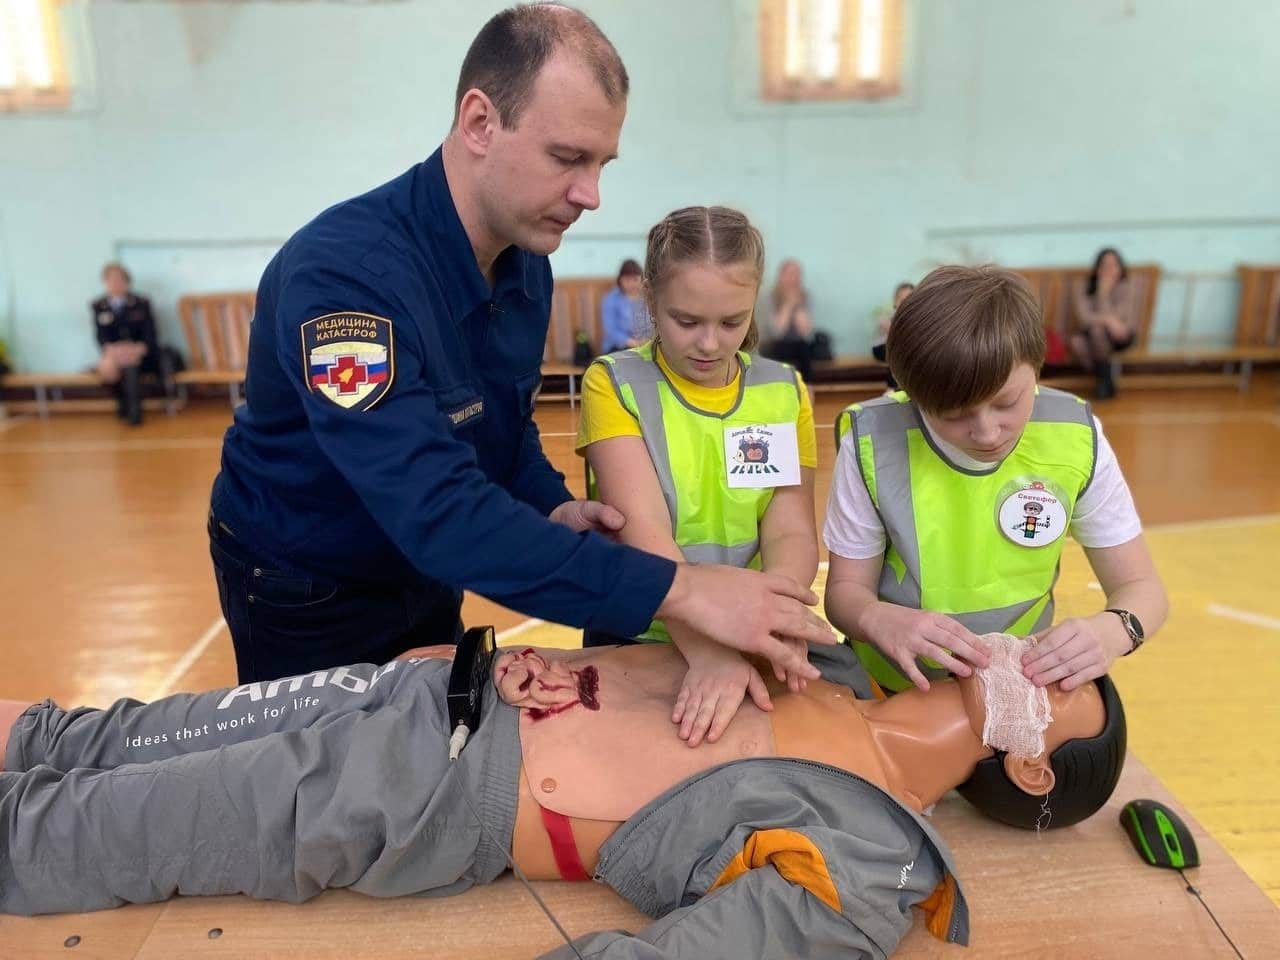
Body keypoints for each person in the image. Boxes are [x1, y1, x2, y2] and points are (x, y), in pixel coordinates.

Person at [205, 4, 834, 686]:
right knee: (324, 778)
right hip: (310, 586)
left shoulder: (525, 263)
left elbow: (497, 429)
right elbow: (436, 511)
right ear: (480, 122)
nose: (590, 193)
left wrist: (551, 505)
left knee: (429, 751)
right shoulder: (345, 281)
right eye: (567, 157)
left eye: (602, 163)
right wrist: (683, 593)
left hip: (427, 573)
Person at [0, 635, 1126, 960]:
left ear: (1031, 764)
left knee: (69, 832)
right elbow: (643, 649)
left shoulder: (866, 865)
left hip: (424, 794)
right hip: (428, 686)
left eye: (1065, 681)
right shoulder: (825, 661)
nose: (1045, 653)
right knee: (86, 737)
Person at [825, 265, 1168, 695]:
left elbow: (1142, 588)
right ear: (913, 394)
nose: (987, 433)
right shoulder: (872, 441)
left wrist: (1115, 630)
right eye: (953, 414)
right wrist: (876, 619)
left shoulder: (1074, 435)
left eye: (1007, 402)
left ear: (1037, 368)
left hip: (1017, 688)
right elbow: (844, 593)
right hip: (892, 691)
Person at [576, 206, 820, 747]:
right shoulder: (615, 384)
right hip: (643, 629)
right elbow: (644, 534)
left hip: (753, 633)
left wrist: (777, 626)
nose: (710, 343)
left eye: (732, 322)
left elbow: (791, 531)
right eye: (686, 321)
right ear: (652, 302)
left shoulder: (781, 391)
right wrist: (709, 651)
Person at [91, 262, 158, 426]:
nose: (115, 284)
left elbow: (150, 334)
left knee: (130, 363)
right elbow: (101, 336)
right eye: (111, 280)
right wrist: (114, 351)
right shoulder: (99, 305)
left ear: (127, 281)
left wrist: (135, 349)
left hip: (139, 352)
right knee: (107, 367)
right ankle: (121, 403)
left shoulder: (141, 303)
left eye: (119, 280)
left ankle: (134, 411)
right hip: (114, 353)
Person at [1071, 247, 1137, 400]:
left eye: (1113, 265)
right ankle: (1107, 376)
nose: (1109, 270)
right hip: (1092, 334)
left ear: (1120, 268)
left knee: (1097, 331)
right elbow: (1084, 318)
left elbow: (1122, 318)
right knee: (1080, 340)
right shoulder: (1085, 287)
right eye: (1104, 266)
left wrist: (1104, 296)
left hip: (1120, 336)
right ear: (1097, 269)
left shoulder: (1127, 287)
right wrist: (1102, 294)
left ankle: (1104, 382)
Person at [762, 258, 815, 384]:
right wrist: (788, 305)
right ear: (780, 276)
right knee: (780, 349)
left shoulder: (806, 297)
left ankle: (806, 389)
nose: (793, 279)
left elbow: (806, 334)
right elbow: (777, 332)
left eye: (796, 275)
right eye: (789, 275)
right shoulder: (769, 297)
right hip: (773, 345)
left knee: (805, 349)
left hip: (798, 346)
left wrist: (797, 306)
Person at [871, 281, 913, 391]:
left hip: (901, 349)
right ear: (895, 300)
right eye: (902, 300)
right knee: (898, 351)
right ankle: (891, 388)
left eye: (909, 299)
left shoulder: (913, 316)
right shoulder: (888, 314)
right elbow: (894, 332)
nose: (905, 303)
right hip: (881, 348)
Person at [599, 258, 646, 353]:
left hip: (644, 345)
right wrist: (632, 343)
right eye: (627, 280)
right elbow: (611, 330)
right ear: (620, 280)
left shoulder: (648, 297)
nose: (632, 284)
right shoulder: (611, 299)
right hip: (618, 347)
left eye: (635, 279)